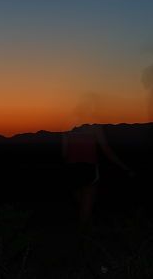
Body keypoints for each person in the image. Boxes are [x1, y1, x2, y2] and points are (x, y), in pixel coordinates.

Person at [62, 94, 133, 225]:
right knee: (85, 213)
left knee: (81, 208)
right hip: (88, 170)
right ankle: (86, 240)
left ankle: (85, 235)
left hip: (71, 170)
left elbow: (64, 152)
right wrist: (125, 167)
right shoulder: (95, 127)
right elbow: (107, 150)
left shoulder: (68, 127)